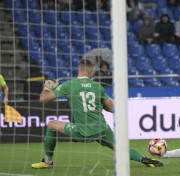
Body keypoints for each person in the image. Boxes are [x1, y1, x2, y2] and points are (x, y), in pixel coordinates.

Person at [31, 58, 164, 169]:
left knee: (51, 124)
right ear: (89, 70)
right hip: (101, 128)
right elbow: (112, 108)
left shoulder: (68, 85)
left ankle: (48, 162)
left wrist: (47, 88)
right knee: (119, 148)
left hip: (82, 130)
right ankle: (143, 159)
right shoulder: (97, 87)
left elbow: (44, 99)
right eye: (93, 71)